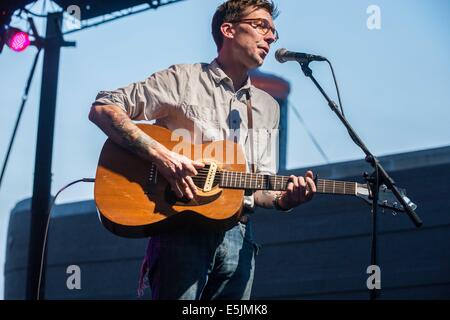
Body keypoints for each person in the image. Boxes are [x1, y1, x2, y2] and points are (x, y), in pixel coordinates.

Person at [89, 0, 316, 300]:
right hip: (181, 231)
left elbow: (261, 183)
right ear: (228, 30)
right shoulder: (183, 80)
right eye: (261, 25)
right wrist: (162, 156)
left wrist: (286, 200)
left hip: (239, 238)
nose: (271, 37)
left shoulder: (268, 107)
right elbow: (104, 108)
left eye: (274, 31)